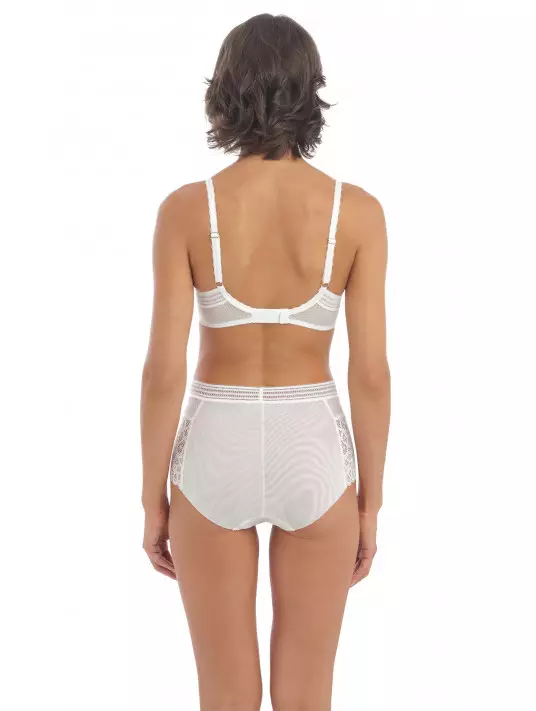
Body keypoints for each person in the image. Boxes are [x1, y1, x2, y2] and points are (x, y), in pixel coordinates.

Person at [140, 13, 390, 711]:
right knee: (307, 696)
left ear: (224, 91)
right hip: (314, 451)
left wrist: (152, 497)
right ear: (311, 92)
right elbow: (371, 374)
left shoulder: (186, 210)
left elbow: (162, 371)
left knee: (225, 696)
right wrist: (371, 504)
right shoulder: (357, 213)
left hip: (213, 446)